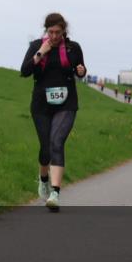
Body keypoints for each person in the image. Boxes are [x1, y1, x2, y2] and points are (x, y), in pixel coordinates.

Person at [20, 13, 87, 212]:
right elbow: (24, 71)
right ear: (46, 31)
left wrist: (81, 71)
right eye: (51, 32)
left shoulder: (73, 48)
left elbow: (80, 69)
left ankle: (55, 193)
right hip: (41, 104)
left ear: (64, 30)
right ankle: (43, 179)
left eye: (58, 32)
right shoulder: (36, 45)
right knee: (45, 148)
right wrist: (41, 51)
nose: (55, 36)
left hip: (66, 103)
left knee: (57, 142)